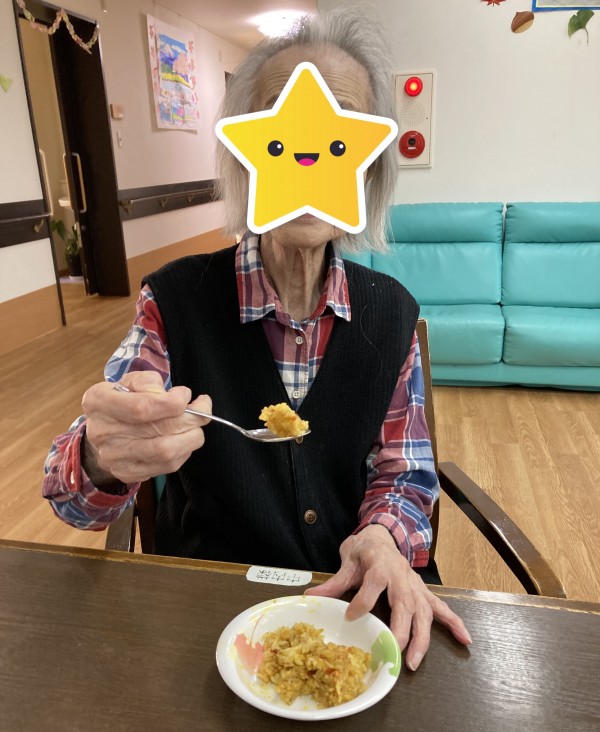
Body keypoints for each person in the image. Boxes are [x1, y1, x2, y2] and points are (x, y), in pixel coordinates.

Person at [43, 7, 471, 671]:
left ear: (366, 168)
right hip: (204, 611)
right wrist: (104, 455)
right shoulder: (172, 301)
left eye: (336, 135)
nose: (308, 154)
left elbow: (403, 472)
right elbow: (73, 499)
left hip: (351, 611)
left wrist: (384, 537)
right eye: (283, 132)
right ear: (245, 155)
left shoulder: (391, 314)